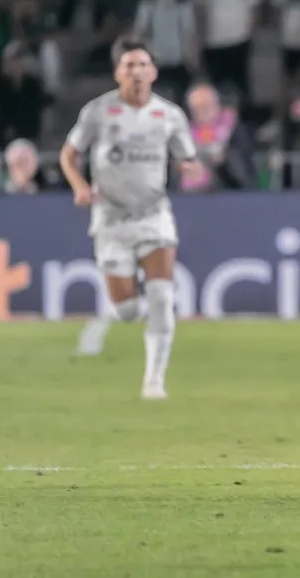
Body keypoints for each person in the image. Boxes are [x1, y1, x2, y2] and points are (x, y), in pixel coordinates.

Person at [59, 37, 201, 400]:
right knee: (126, 310)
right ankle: (125, 306)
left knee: (161, 299)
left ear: (153, 72)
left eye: (142, 65)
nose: (136, 71)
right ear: (117, 72)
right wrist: (80, 187)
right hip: (111, 219)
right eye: (129, 65)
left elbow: (187, 157)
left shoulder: (170, 115)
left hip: (154, 215)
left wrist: (189, 167)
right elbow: (69, 155)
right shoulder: (98, 112)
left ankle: (154, 381)